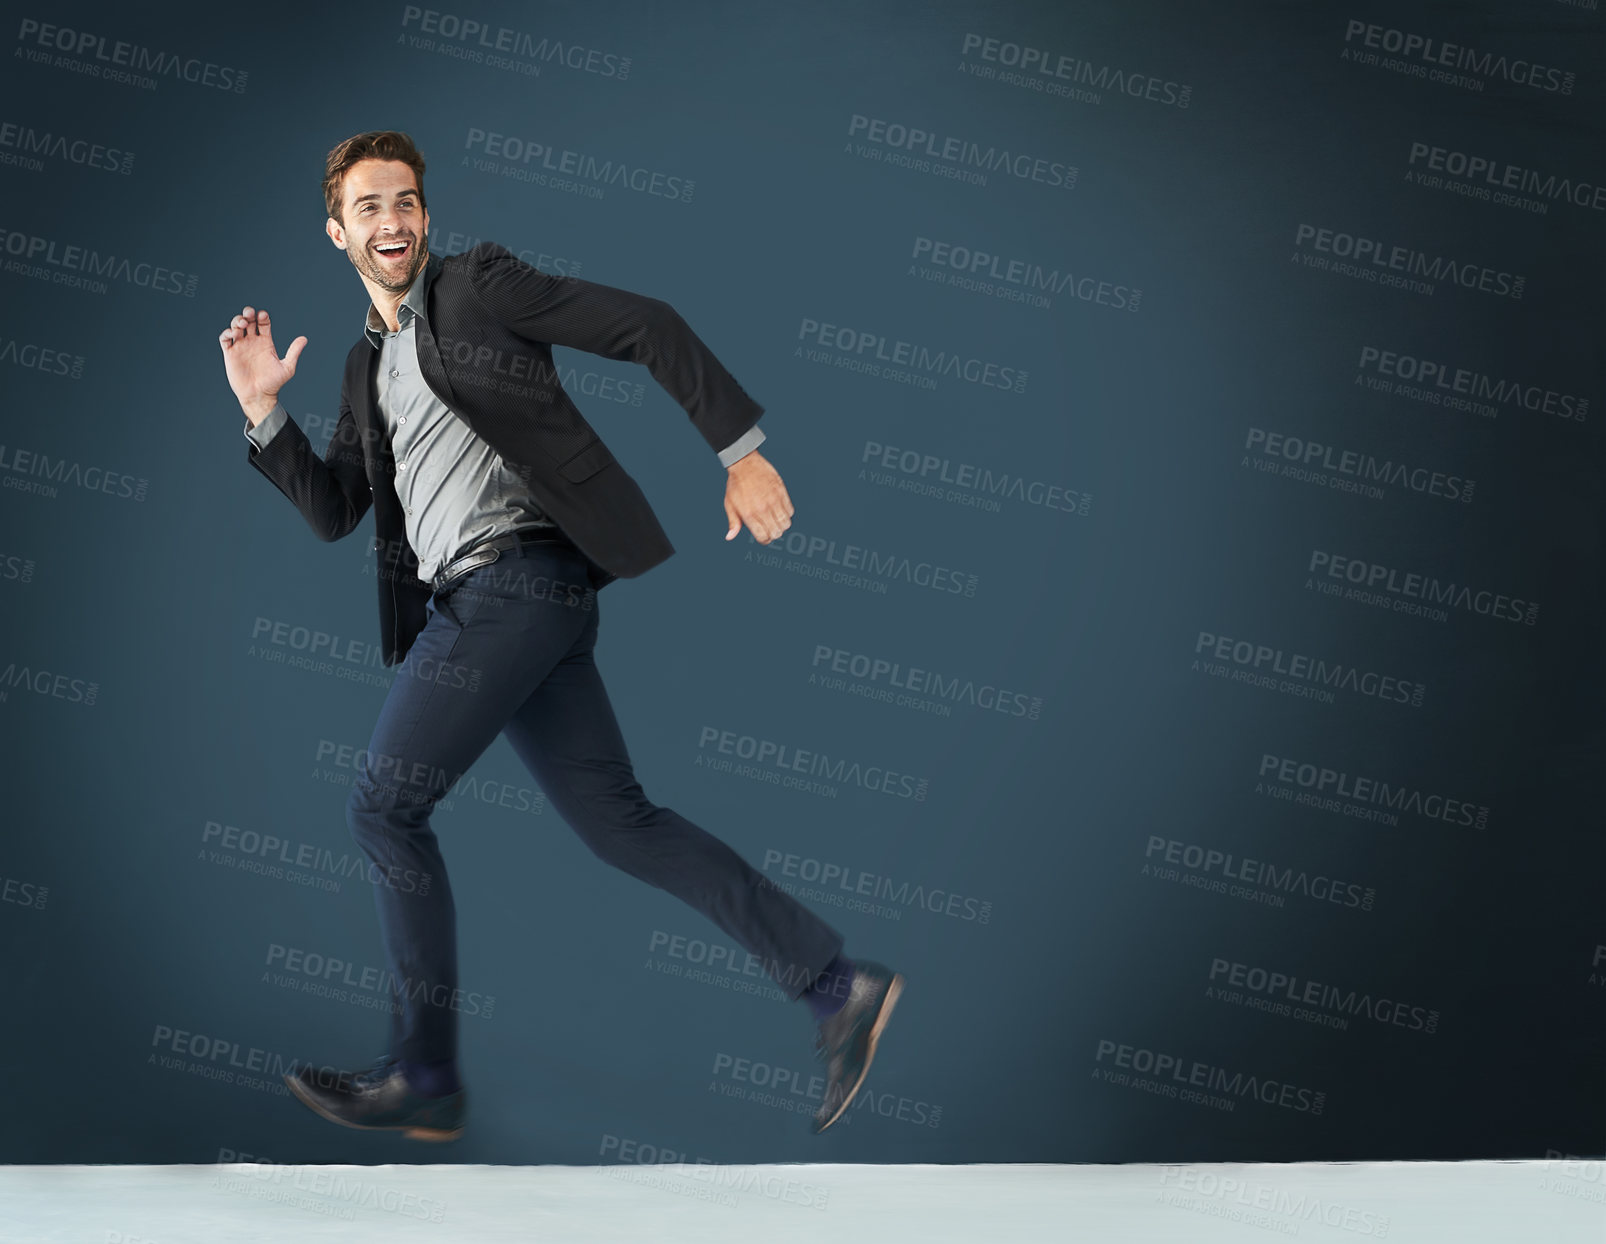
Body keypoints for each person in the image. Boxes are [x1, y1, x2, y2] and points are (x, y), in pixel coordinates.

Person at [218, 130, 901, 1140]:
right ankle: (835, 984)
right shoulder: (367, 369)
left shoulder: (480, 286)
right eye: (368, 208)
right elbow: (336, 510)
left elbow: (647, 324)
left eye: (404, 201)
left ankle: (425, 1071)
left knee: (382, 806)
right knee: (619, 821)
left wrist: (740, 451)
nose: (391, 221)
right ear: (338, 232)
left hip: (518, 583)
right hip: (497, 606)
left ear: (426, 216)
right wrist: (263, 415)